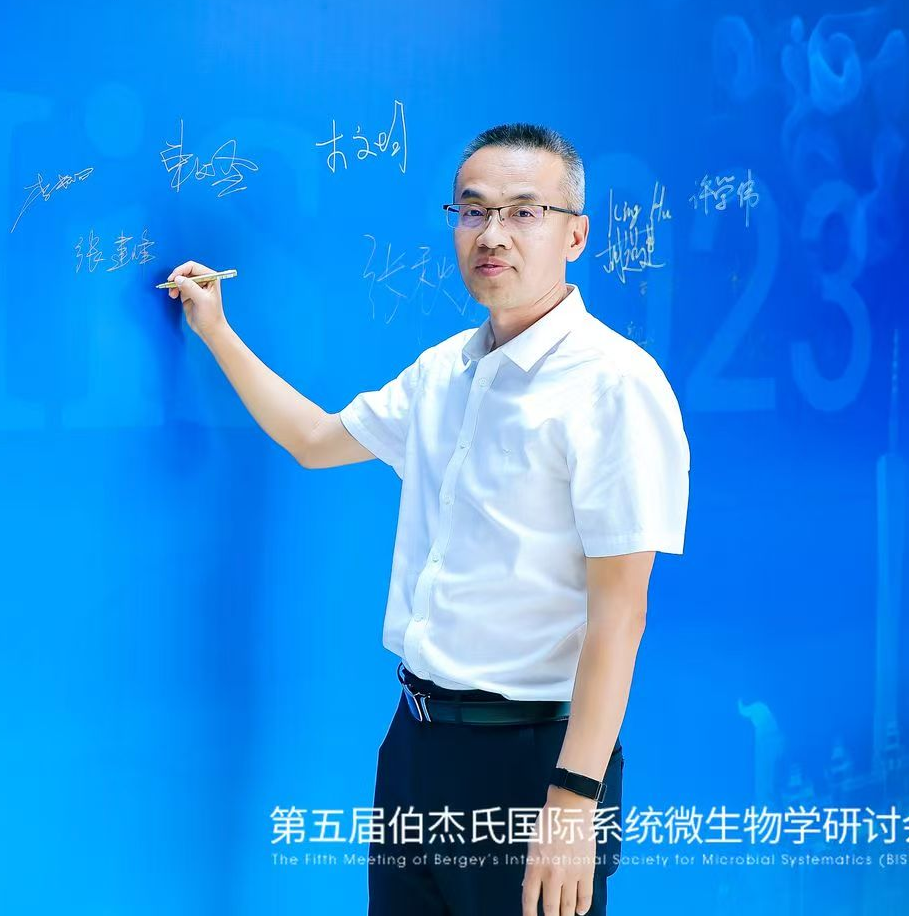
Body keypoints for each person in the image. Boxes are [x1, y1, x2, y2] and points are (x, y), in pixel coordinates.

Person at [166, 122, 689, 916]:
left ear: (575, 235)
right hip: (415, 741)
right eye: (472, 210)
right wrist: (215, 330)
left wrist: (573, 797)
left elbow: (622, 610)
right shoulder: (444, 371)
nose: (492, 234)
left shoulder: (614, 384)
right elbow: (314, 440)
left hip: (533, 757)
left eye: (523, 212)